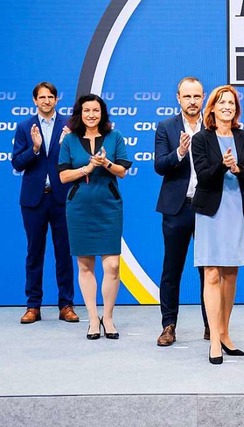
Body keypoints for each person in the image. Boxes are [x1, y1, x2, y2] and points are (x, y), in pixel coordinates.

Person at [191, 85, 244, 365]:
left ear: (236, 109)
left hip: (238, 210)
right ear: (213, 108)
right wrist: (223, 165)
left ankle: (225, 331)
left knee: (230, 274)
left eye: (231, 103)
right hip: (210, 212)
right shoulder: (201, 139)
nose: (227, 107)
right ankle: (214, 341)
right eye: (222, 103)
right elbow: (204, 177)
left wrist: (238, 169)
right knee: (211, 274)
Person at [58, 94, 132, 340]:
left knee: (112, 265)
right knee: (85, 265)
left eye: (96, 110)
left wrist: (105, 163)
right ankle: (92, 318)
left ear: (103, 113)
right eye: (87, 110)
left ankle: (108, 318)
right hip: (79, 207)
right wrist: (87, 168)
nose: (91, 115)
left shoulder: (114, 137)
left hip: (108, 206)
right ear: (80, 113)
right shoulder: (69, 140)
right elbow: (63, 177)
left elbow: (122, 171)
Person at [12, 82, 78, 324]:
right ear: (34, 100)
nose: (46, 101)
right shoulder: (24, 127)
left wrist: (68, 144)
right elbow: (17, 163)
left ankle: (67, 305)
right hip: (34, 200)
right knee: (34, 253)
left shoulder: (70, 127)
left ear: (57, 100)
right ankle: (33, 306)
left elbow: (78, 160)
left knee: (64, 252)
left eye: (51, 96)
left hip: (62, 198)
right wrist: (36, 148)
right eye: (42, 97)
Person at [155, 77, 209, 346]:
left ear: (203, 98)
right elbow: (159, 165)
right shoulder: (166, 127)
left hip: (207, 208)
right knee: (172, 269)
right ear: (178, 98)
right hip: (176, 208)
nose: (192, 101)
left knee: (209, 270)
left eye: (197, 96)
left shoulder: (212, 127)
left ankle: (212, 326)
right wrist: (179, 152)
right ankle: (168, 325)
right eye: (187, 96)